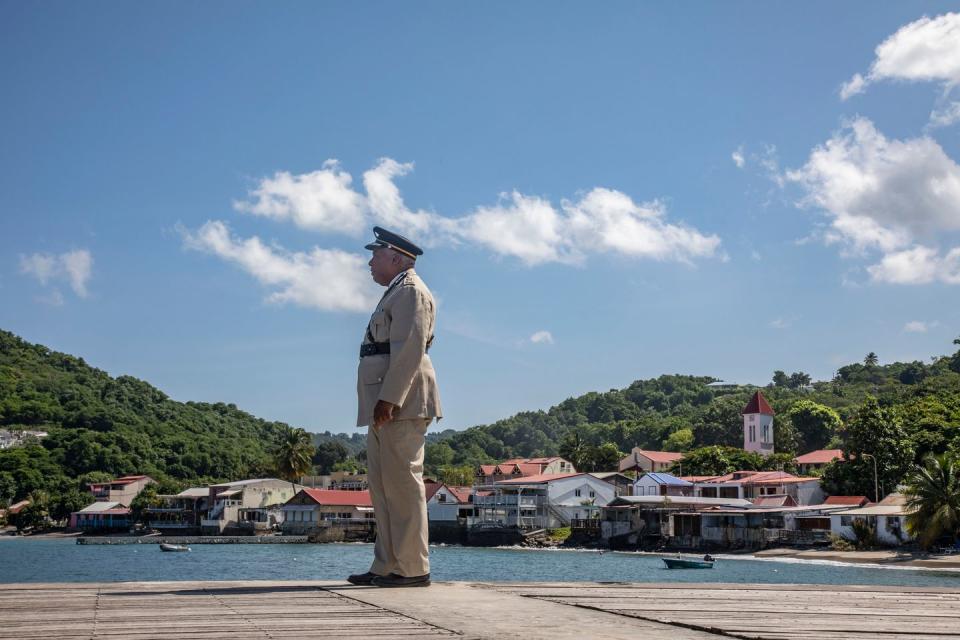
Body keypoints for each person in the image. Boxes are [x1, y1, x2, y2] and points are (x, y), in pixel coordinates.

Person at [347, 226, 442, 588]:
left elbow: (409, 349)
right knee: (383, 486)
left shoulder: (411, 293)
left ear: (396, 257)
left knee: (402, 484)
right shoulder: (396, 292)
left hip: (401, 402)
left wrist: (389, 399)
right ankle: (387, 564)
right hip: (385, 402)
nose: (370, 262)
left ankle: (412, 568)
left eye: (375, 255)